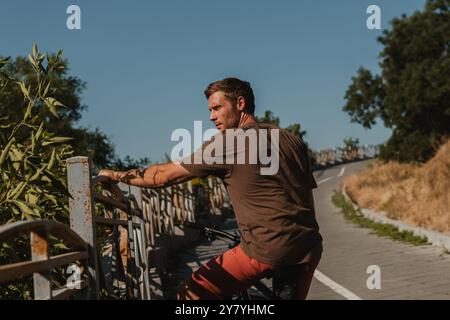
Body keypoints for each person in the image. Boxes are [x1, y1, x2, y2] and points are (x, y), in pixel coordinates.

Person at [98, 77, 322, 299]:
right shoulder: (290, 140)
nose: (211, 116)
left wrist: (116, 175)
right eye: (210, 110)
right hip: (308, 246)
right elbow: (306, 196)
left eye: (217, 108)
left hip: (268, 248)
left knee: (191, 294)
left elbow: (162, 177)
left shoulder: (228, 142)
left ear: (240, 104)